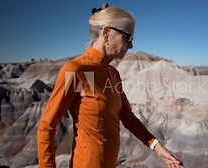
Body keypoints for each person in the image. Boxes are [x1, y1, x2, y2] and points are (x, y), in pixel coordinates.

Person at [37, 3, 183, 168]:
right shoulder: (76, 70)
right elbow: (47, 127)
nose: (131, 45)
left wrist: (157, 147)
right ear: (106, 33)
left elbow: (127, 116)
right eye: (128, 38)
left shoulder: (113, 74)